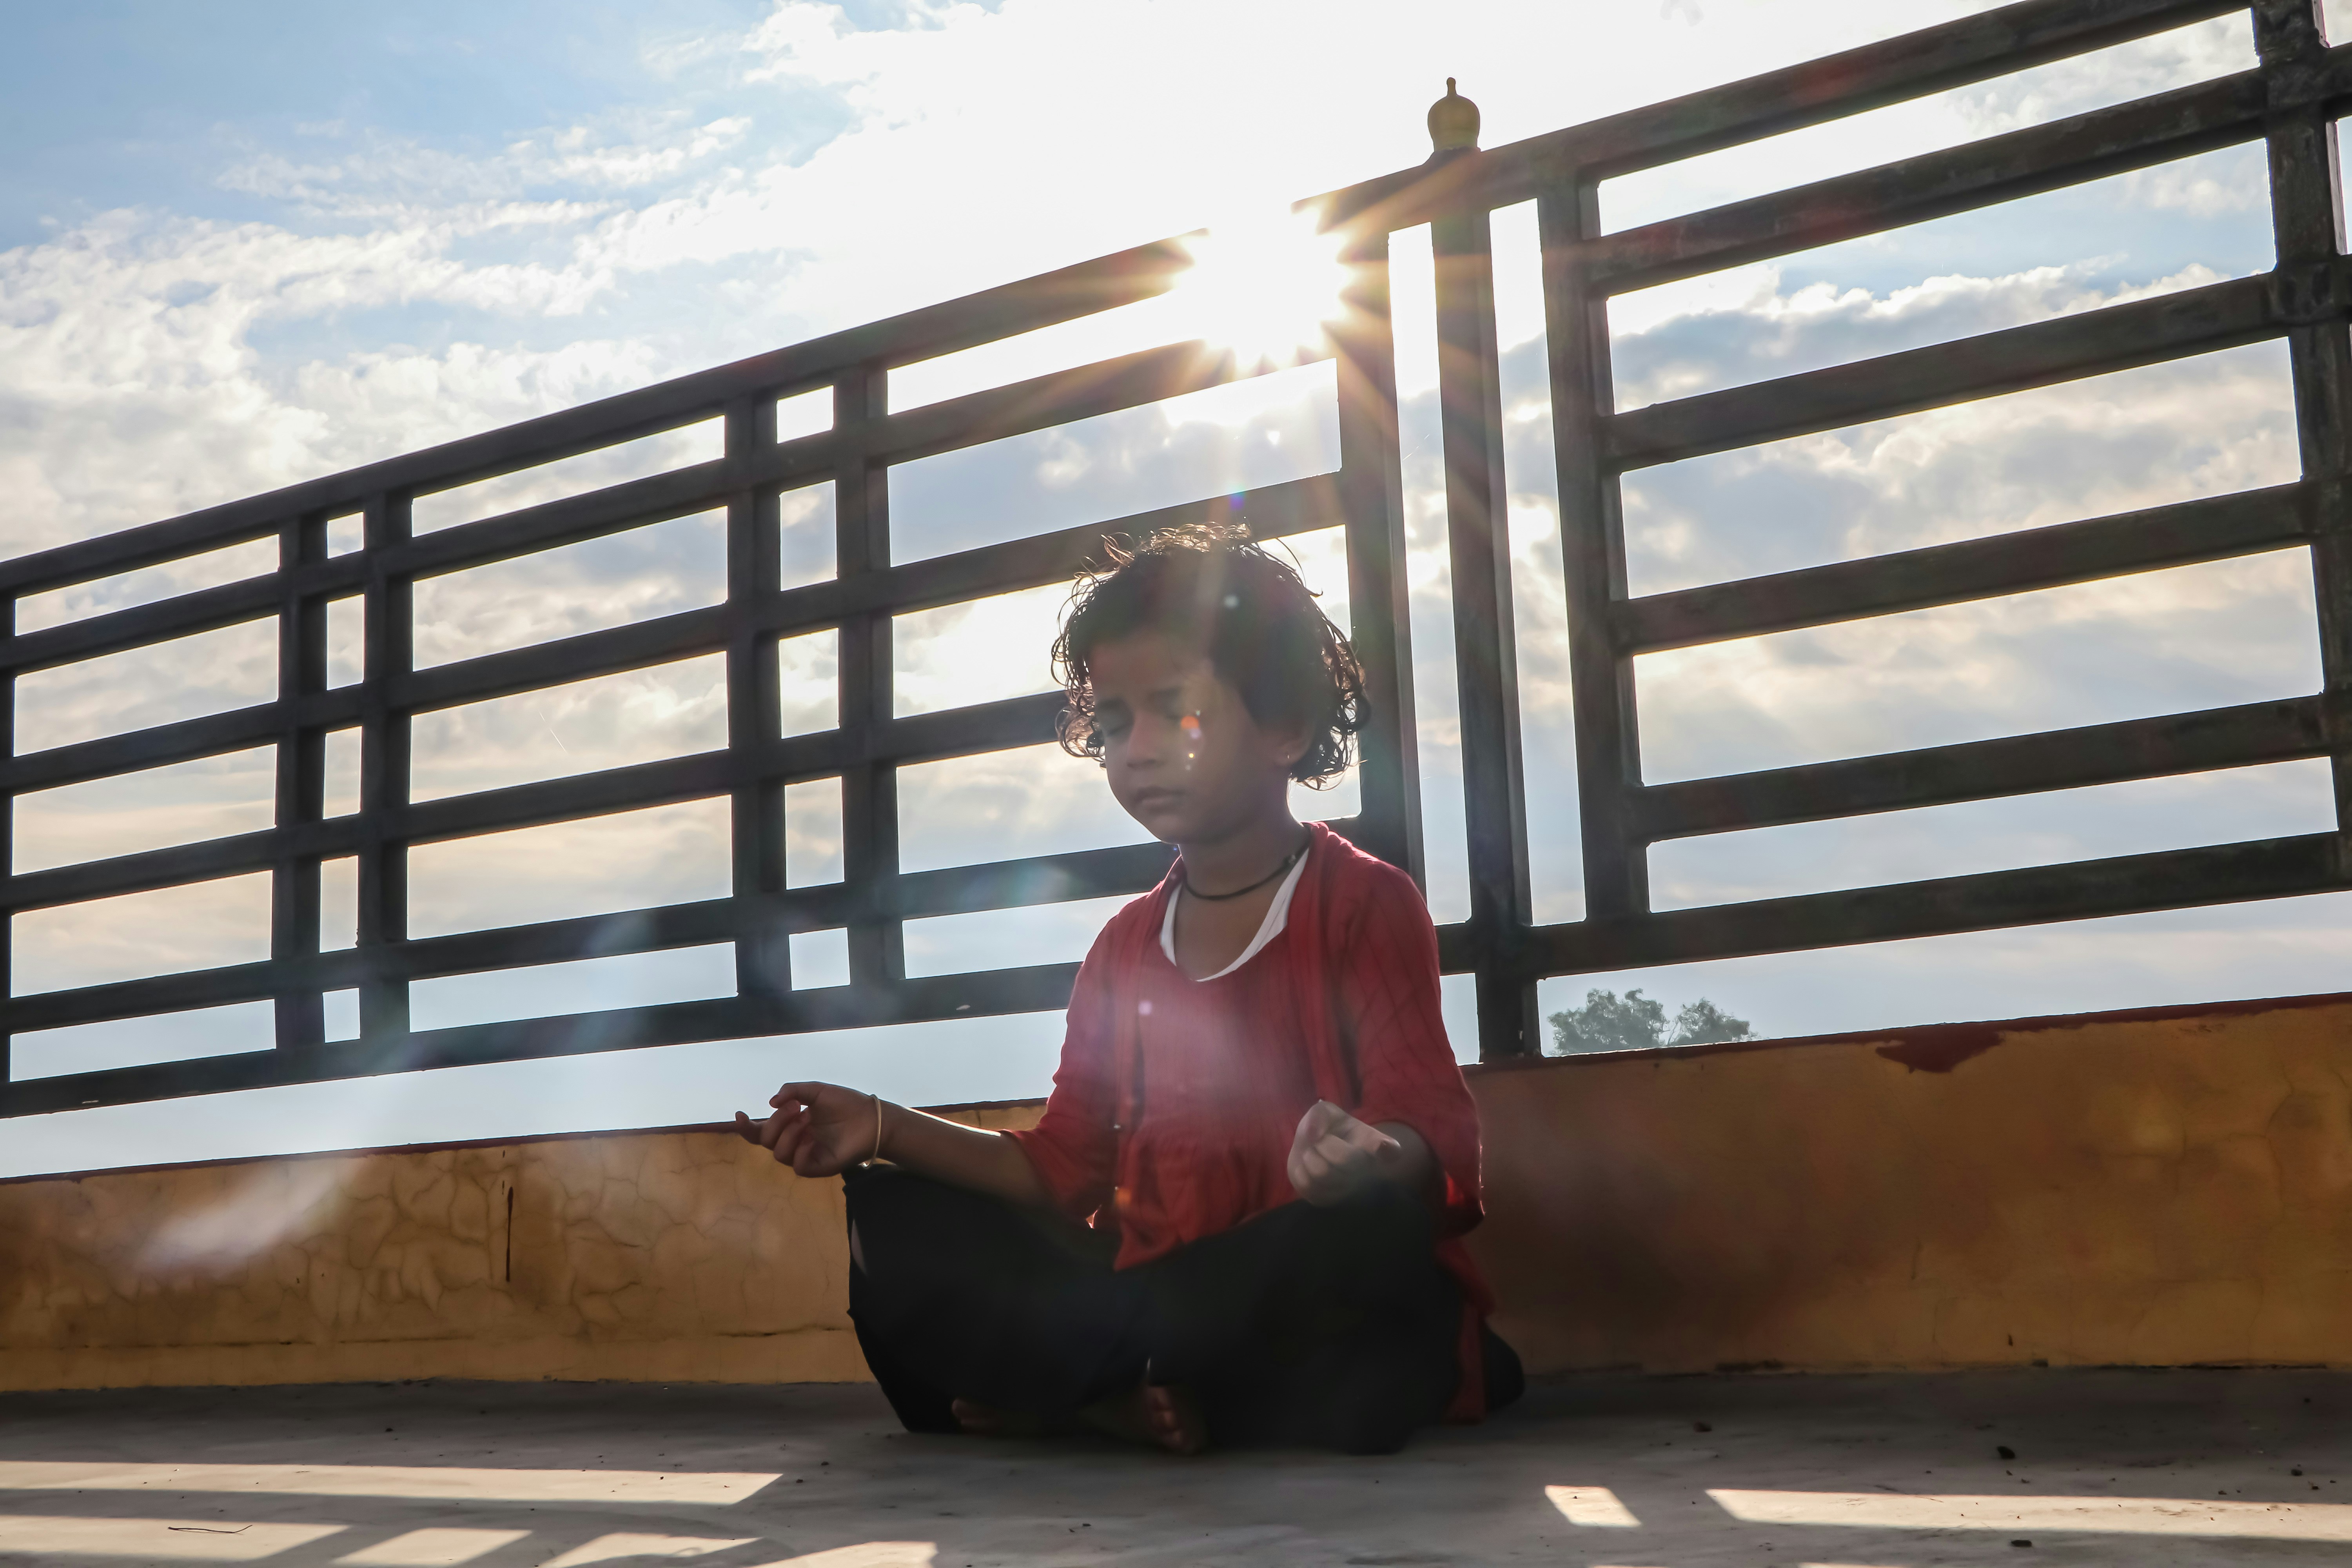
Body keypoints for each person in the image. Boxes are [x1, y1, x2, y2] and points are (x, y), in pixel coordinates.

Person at [734, 525, 1521, 1454]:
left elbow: (1432, 1133)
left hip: (1281, 1293)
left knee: (1372, 1238)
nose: (1136, 749)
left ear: (1286, 727)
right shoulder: (1123, 949)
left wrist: (1369, 1154)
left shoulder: (1365, 904)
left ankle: (1071, 1393)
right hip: (1155, 1297)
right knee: (894, 1217)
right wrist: (881, 1124)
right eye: (1113, 723)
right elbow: (1066, 1166)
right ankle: (1134, 1387)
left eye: (1175, 710)